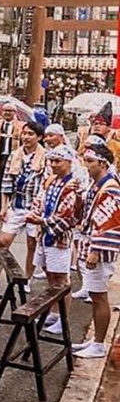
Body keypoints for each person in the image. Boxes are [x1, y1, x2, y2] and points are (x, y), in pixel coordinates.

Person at [27, 146, 81, 337]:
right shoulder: (53, 180)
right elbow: (40, 200)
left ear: (69, 162)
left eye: (58, 161)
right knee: (51, 275)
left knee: (61, 280)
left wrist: (41, 220)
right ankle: (54, 312)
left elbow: (68, 217)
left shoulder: (73, 185)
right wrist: (35, 213)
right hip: (45, 236)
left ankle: (63, 319)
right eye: (52, 161)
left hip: (59, 239)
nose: (54, 165)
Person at [73, 141, 120, 360]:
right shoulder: (96, 184)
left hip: (100, 249)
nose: (87, 165)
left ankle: (99, 344)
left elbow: (110, 222)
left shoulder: (109, 187)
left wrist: (96, 250)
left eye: (90, 161)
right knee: (94, 293)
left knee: (99, 296)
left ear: (102, 164)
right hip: (92, 242)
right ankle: (96, 341)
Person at [0, 121, 46, 281]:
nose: (26, 137)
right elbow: (5, 182)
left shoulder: (45, 156)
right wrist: (4, 207)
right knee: (3, 243)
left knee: (32, 244)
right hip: (16, 205)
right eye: (24, 133)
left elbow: (47, 183)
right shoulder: (15, 154)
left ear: (39, 137)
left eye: (30, 134)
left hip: (34, 208)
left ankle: (27, 279)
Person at [0, 102, 21, 218]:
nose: (7, 113)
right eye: (5, 110)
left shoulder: (21, 126)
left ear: (15, 113)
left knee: (13, 183)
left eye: (10, 111)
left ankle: (11, 208)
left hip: (14, 158)